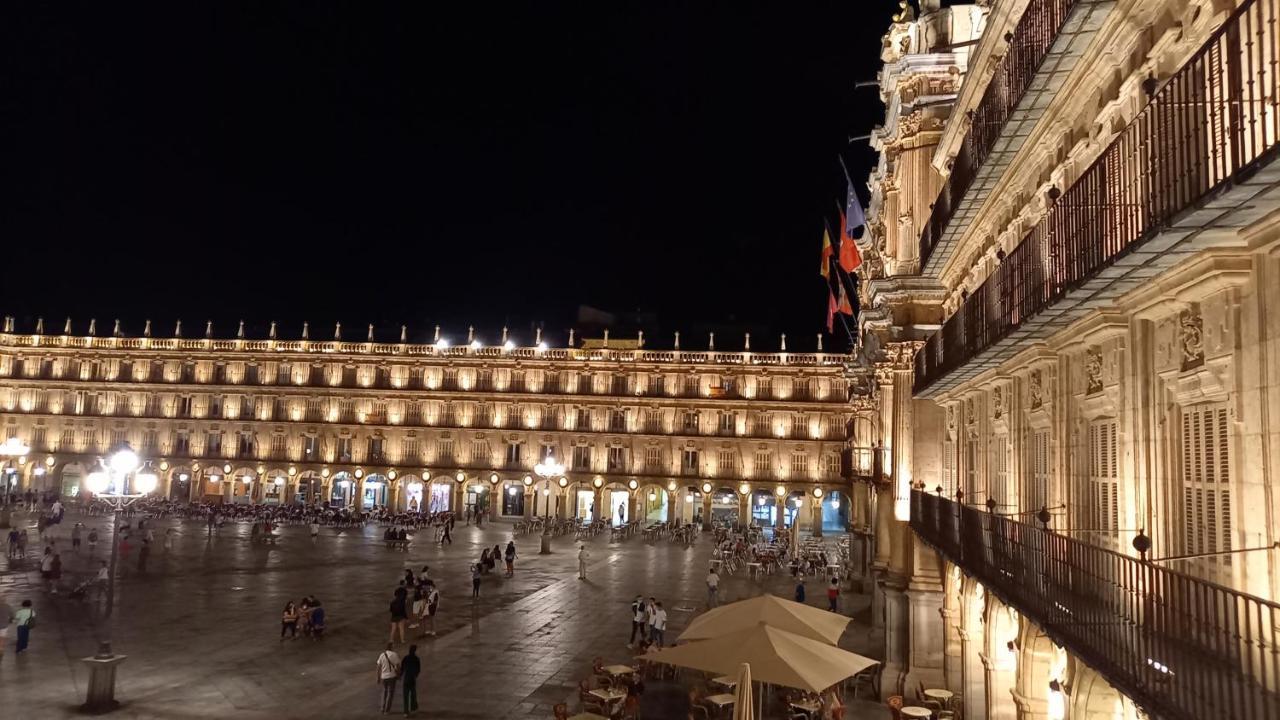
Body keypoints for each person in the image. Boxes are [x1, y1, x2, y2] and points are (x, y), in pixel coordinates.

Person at [375, 643, 401, 714]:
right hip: (392, 677)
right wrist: (399, 675)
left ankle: (382, 708)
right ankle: (387, 710)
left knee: (384, 692)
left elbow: (378, 667)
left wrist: (378, 677)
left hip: (383, 677)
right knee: (390, 693)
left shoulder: (382, 655)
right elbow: (398, 666)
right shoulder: (394, 654)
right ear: (392, 647)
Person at [400, 644, 421, 716]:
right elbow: (418, 669)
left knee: (405, 696)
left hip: (406, 678)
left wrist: (400, 676)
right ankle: (413, 707)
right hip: (412, 679)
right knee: (413, 694)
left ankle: (406, 711)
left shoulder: (405, 658)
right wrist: (415, 675)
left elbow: (402, 668)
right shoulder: (416, 659)